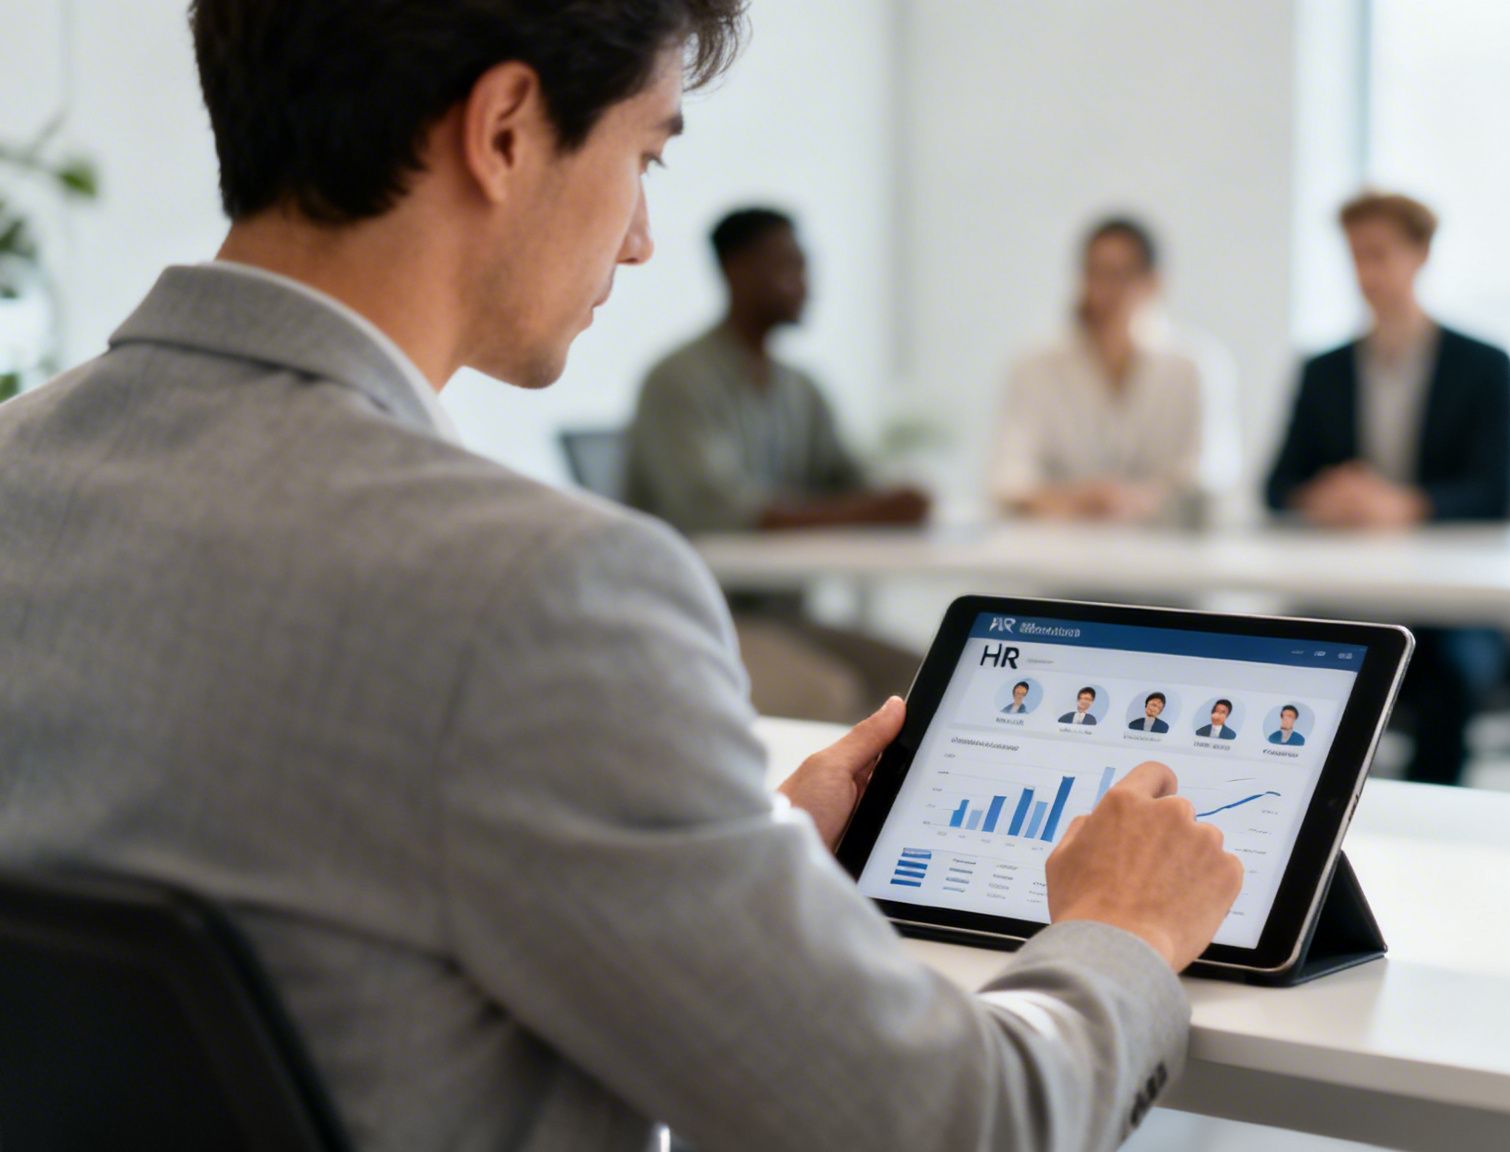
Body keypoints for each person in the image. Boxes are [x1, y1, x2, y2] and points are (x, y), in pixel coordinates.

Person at [0, 4, 1247, 1150]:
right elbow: (950, 1123)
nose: (644, 240)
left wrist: (738, 852)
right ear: (501, 130)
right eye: (646, 157)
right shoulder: (537, 595)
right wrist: (1122, 928)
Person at [622, 206, 927, 724]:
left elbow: (848, 479)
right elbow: (721, 510)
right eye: (788, 266)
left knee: (922, 675)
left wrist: (888, 499)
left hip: (785, 615)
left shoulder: (799, 387)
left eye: (805, 266)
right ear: (736, 271)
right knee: (831, 695)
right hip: (699, 616)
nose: (805, 284)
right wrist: (871, 509)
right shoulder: (677, 381)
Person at [1265, 190, 1510, 785]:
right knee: (1286, 664)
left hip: (1447, 603)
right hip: (1344, 593)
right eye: (1355, 256)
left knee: (1450, 680)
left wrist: (1405, 504)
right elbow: (1276, 486)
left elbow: (1495, 491)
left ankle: (1435, 828)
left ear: (1421, 254)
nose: (1366, 272)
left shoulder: (1482, 365)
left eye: (1379, 254)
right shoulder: (1322, 369)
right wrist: (1324, 494)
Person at [989, 217, 1239, 525]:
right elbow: (1007, 480)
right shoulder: (1034, 367)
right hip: (1058, 555)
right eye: (1095, 273)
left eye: (1120, 275)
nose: (1105, 290)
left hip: (1165, 559)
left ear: (1153, 283)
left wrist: (1132, 500)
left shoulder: (1195, 366)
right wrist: (1079, 500)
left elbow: (1208, 479)